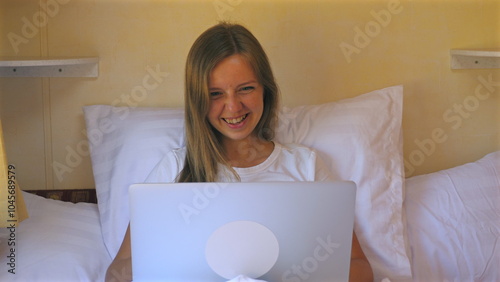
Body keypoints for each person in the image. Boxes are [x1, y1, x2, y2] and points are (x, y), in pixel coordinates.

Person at [105, 22, 373, 282]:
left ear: (265, 90)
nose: (233, 107)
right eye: (216, 94)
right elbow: (118, 269)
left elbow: (359, 266)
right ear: (198, 99)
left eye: (245, 89)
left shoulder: (305, 166)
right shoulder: (174, 170)